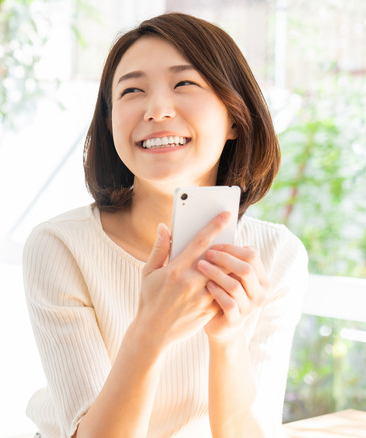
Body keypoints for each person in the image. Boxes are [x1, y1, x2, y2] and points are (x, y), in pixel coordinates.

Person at [22, 12, 308, 438]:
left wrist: (228, 340)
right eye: (132, 90)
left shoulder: (275, 255)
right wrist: (149, 331)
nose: (156, 110)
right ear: (109, 121)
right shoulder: (60, 246)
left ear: (233, 115)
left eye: (184, 84)